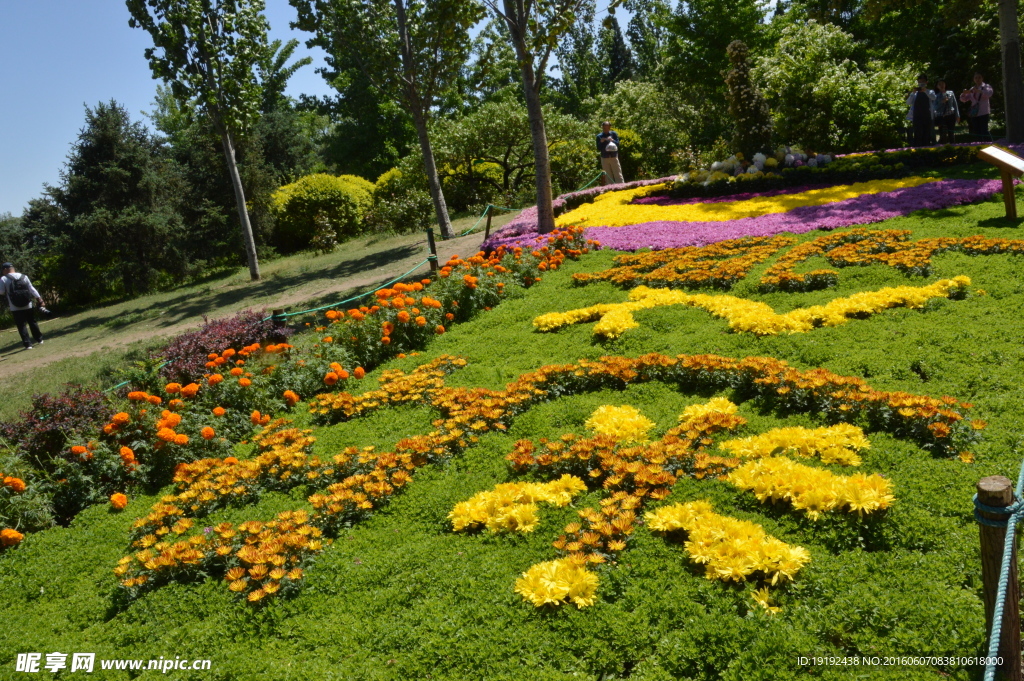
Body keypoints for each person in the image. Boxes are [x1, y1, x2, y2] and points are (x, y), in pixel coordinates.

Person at [1, 262, 46, 350]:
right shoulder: (24, 276)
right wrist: (40, 299)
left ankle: (28, 344)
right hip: (27, 304)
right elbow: (31, 289)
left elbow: (1, 292)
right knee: (32, 322)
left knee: (21, 325)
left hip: (15, 306)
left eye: (2, 270)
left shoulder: (4, 279)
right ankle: (39, 339)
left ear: (6, 269)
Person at [961, 72, 994, 138]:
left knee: (984, 130)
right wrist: (964, 93)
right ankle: (978, 144)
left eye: (979, 77)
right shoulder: (972, 88)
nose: (977, 79)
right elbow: (964, 99)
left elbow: (989, 94)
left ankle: (987, 144)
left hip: (983, 111)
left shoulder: (986, 86)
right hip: (974, 112)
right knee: (976, 130)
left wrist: (979, 91)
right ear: (974, 79)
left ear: (982, 78)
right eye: (976, 78)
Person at [906, 74, 936, 146]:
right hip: (916, 117)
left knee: (927, 135)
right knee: (918, 135)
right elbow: (908, 102)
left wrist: (925, 91)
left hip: (927, 116)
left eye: (923, 81)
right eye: (920, 82)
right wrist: (912, 93)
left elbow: (933, 97)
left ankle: (927, 149)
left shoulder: (930, 91)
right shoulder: (915, 93)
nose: (921, 83)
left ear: (926, 82)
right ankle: (917, 150)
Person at [934, 79, 960, 144]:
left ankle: (953, 147)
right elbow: (935, 108)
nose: (941, 85)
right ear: (937, 86)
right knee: (943, 134)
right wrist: (942, 102)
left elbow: (955, 104)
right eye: (939, 84)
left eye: (943, 83)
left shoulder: (951, 93)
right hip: (941, 117)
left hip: (951, 115)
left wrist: (957, 115)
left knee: (951, 133)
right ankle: (943, 148)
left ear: (945, 84)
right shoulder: (936, 96)